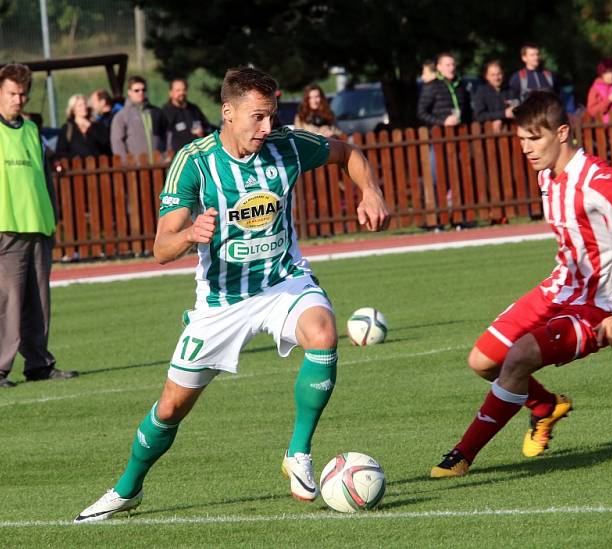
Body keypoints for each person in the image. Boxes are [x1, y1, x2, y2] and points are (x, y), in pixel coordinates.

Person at [74, 66, 390, 522]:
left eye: (271, 116)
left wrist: (371, 191)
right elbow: (161, 247)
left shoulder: (287, 145)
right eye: (257, 117)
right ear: (228, 112)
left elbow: (348, 153)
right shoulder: (195, 162)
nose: (267, 127)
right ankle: (127, 489)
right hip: (223, 301)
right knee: (170, 408)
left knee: (323, 334)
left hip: (284, 281)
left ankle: (297, 453)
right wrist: (188, 235)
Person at [429, 91, 612, 478]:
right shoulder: (546, 177)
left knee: (519, 356)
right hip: (557, 290)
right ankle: (544, 406)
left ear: (563, 132)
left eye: (534, 138)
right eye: (521, 140)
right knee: (482, 361)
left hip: (598, 307)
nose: (527, 148)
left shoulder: (599, 180)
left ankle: (461, 455)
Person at [0, 63, 78, 388]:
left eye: (23, 93)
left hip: (36, 227)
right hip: (3, 230)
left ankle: (39, 363)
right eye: (12, 93)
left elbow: (43, 176)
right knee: (1, 304)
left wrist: (51, 217)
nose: (18, 99)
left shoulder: (31, 129)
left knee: (38, 302)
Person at [110, 75, 166, 162]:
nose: (141, 93)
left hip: (158, 166)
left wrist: (164, 155)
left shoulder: (156, 112)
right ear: (129, 92)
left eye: (143, 90)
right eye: (136, 90)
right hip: (136, 168)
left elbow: (166, 134)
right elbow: (117, 142)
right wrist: (125, 163)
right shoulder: (121, 116)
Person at [417, 52, 472, 127]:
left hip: (462, 131)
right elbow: (421, 113)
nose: (452, 68)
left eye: (453, 64)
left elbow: (468, 110)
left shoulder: (461, 85)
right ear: (439, 67)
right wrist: (442, 122)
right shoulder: (431, 86)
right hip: (440, 133)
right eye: (448, 65)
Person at [161, 78, 213, 151]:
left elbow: (208, 127)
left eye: (184, 89)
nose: (182, 92)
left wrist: (202, 132)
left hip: (197, 154)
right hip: (177, 157)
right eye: (178, 90)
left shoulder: (194, 109)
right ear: (171, 93)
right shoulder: (165, 112)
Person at [472, 60, 517, 132]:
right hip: (487, 135)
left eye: (499, 74)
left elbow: (515, 110)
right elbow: (479, 116)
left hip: (510, 133)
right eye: (493, 75)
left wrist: (502, 118)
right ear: (487, 76)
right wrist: (502, 115)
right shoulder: (481, 92)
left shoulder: (510, 90)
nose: (496, 78)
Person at [55, 94, 101, 159]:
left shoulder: (96, 125)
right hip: (76, 167)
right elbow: (60, 152)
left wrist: (90, 126)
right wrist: (74, 157)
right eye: (80, 106)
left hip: (99, 166)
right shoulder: (67, 128)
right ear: (73, 109)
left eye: (85, 104)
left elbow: (104, 142)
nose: (84, 107)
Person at [89, 89, 115, 157]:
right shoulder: (101, 119)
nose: (92, 106)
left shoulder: (112, 119)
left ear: (103, 102)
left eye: (94, 103)